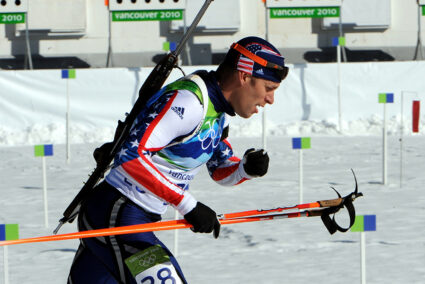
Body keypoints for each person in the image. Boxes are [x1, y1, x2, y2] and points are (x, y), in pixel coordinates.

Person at [68, 36, 289, 284]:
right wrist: (189, 206)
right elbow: (130, 156)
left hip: (131, 216)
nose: (270, 99)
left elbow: (219, 170)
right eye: (268, 89)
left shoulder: (217, 111)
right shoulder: (188, 102)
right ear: (244, 76)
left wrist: (245, 169)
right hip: (117, 215)